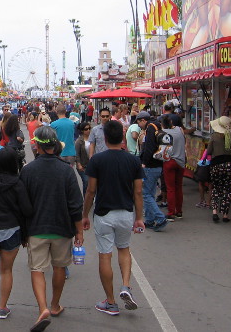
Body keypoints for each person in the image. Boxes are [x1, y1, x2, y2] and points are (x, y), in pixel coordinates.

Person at [20, 126, 83, 331]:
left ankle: (43, 308)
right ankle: (55, 304)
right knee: (59, 267)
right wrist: (79, 231)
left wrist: (23, 232)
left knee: (37, 269)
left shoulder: (28, 170)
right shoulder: (66, 170)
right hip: (62, 227)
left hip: (36, 228)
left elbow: (22, 205)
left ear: (36, 145)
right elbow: (75, 204)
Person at [82, 120, 145, 316]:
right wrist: (139, 218)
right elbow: (138, 193)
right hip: (126, 213)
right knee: (124, 250)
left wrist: (84, 215)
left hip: (104, 213)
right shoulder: (133, 161)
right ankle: (126, 286)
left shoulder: (97, 161)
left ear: (106, 138)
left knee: (105, 255)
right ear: (122, 137)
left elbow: (91, 191)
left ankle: (110, 302)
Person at [0, 148, 33, 332]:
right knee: (6, 270)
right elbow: (26, 209)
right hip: (11, 230)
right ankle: (2, 308)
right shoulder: (17, 183)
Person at [207, 115, 231, 223]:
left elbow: (209, 151)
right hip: (230, 165)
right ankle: (225, 215)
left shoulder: (214, 136)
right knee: (227, 190)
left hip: (216, 165)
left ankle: (214, 212)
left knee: (216, 188)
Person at [136, 111, 168, 231]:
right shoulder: (157, 125)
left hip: (150, 165)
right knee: (151, 192)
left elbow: (149, 147)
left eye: (139, 123)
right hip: (158, 164)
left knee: (146, 194)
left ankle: (160, 218)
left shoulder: (150, 128)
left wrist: (143, 162)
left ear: (143, 120)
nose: (139, 126)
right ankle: (149, 220)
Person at [161, 115, 186, 220]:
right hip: (180, 161)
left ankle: (171, 212)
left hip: (169, 161)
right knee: (179, 187)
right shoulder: (179, 130)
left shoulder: (164, 133)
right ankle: (179, 211)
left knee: (170, 188)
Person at [75, 122, 91, 195]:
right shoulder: (79, 141)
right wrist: (79, 164)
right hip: (83, 165)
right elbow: (76, 154)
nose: (88, 130)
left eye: (89, 128)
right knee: (86, 181)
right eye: (86, 129)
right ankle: (86, 198)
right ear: (82, 131)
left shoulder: (92, 139)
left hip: (92, 164)